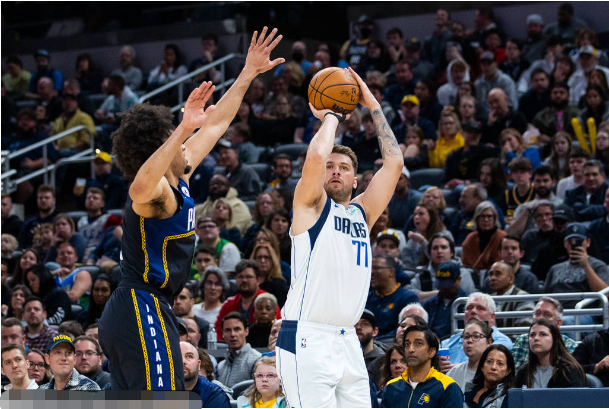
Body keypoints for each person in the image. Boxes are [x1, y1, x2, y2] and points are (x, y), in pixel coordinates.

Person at [96, 28, 283, 391]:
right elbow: (139, 185)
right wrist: (180, 130)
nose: (187, 144)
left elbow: (216, 124)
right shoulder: (155, 193)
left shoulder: (178, 173)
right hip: (139, 305)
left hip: (144, 306)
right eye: (176, 140)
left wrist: (247, 73)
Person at [276, 67, 402, 408]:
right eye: (331, 167)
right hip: (307, 334)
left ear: (355, 180)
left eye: (344, 168)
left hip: (347, 338)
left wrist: (372, 104)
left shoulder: (363, 212)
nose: (335, 170)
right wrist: (332, 115)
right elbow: (316, 157)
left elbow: (394, 163)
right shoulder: (310, 205)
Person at [381, 325, 463, 408]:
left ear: (431, 351)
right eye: (407, 344)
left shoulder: (448, 387)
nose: (411, 349)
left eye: (418, 343)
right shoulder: (391, 387)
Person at [543, 222, 609, 309]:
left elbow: (605, 294)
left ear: (588, 242)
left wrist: (586, 266)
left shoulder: (598, 265)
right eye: (570, 242)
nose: (574, 245)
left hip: (586, 312)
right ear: (565, 243)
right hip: (558, 312)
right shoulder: (555, 269)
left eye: (579, 241)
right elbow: (546, 297)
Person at [440, 293, 513, 369]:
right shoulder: (449, 342)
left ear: (492, 317)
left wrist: (455, 370)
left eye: (480, 308)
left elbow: (487, 366)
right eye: (469, 308)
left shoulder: (503, 342)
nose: (473, 311)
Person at [215, 260, 281, 341]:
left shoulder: (268, 301)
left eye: (248, 277)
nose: (244, 280)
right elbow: (218, 330)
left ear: (258, 280)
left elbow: (277, 328)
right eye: (240, 277)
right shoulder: (229, 304)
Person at [515, 320, 586, 388]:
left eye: (543, 334)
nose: (536, 338)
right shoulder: (524, 371)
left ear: (555, 339)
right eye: (532, 335)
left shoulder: (569, 370)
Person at [511, 297, 578, 370]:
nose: (540, 318)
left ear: (558, 323)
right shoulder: (522, 341)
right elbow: (514, 373)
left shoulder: (570, 346)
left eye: (547, 315)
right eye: (537, 314)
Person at [366, 255, 418, 339]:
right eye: (370, 268)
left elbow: (404, 330)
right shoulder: (367, 297)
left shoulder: (408, 298)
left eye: (376, 268)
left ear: (391, 272)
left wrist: (376, 341)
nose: (371, 272)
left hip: (391, 343)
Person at [444, 122, 499, 190]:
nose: (473, 135)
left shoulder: (488, 152)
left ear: (480, 135)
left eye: (476, 133)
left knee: (459, 188)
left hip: (479, 188)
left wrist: (465, 182)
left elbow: (492, 178)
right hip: (453, 190)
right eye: (470, 132)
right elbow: (446, 181)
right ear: (462, 133)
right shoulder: (453, 156)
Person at [422, 262, 469, 340]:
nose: (445, 289)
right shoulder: (428, 304)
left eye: (448, 286)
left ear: (459, 279)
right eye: (442, 285)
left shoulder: (467, 304)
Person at [217, 312, 262, 388]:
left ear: (246, 331)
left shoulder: (258, 359)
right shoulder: (221, 366)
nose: (232, 334)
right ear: (223, 334)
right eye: (228, 330)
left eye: (237, 329)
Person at [180, 342, 231, 408]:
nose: (183, 361)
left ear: (198, 364)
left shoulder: (214, 394)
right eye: (178, 356)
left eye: (189, 356)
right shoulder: (166, 388)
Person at [447, 321, 493, 392]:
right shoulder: (454, 371)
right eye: (466, 337)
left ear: (489, 342)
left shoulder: (494, 371)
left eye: (476, 336)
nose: (469, 341)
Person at [487, 261, 534, 328]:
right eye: (491, 274)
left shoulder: (523, 298)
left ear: (511, 279)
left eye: (498, 274)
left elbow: (524, 329)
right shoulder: (488, 299)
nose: (493, 278)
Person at [462, 201, 506, 270]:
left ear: (494, 219)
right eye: (482, 216)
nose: (486, 219)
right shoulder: (470, 238)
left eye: (489, 216)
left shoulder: (502, 237)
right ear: (477, 219)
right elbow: (465, 263)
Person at [18, 185, 59, 250]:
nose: (43, 200)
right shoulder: (29, 223)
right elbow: (21, 244)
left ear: (53, 200)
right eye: (40, 198)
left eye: (47, 198)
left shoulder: (60, 221)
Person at [252, 243, 288, 308]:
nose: (263, 261)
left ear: (273, 260)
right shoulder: (249, 282)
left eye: (266, 257)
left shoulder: (280, 284)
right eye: (259, 257)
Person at [354, 309, 385, 385]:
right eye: (354, 324)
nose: (358, 327)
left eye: (365, 324)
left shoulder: (382, 361)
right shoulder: (341, 355)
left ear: (375, 331)